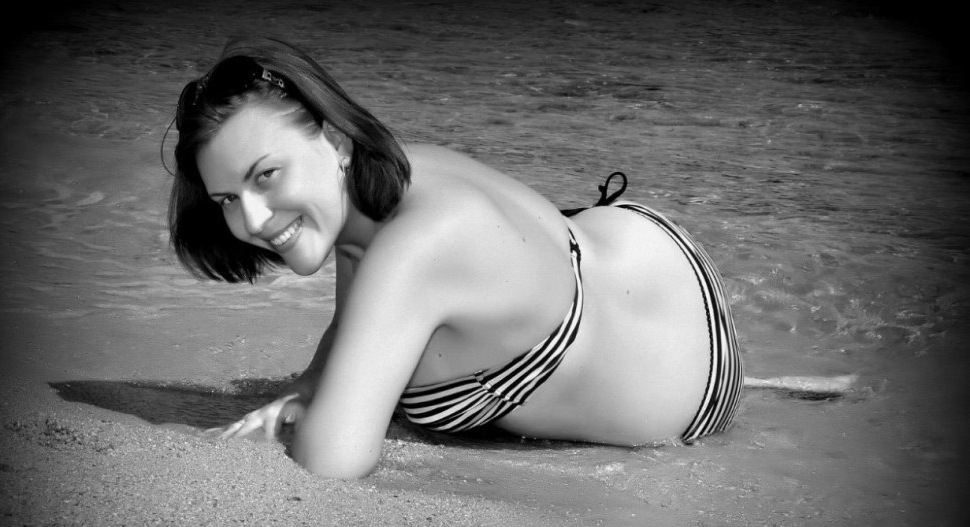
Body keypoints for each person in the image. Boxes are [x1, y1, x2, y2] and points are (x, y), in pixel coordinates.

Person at [168, 36, 744, 479]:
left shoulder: (413, 249)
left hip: (689, 380)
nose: (253, 220)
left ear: (335, 140)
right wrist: (308, 385)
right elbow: (352, 324)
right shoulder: (376, 190)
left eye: (266, 175)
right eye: (227, 199)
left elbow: (333, 462)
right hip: (641, 254)